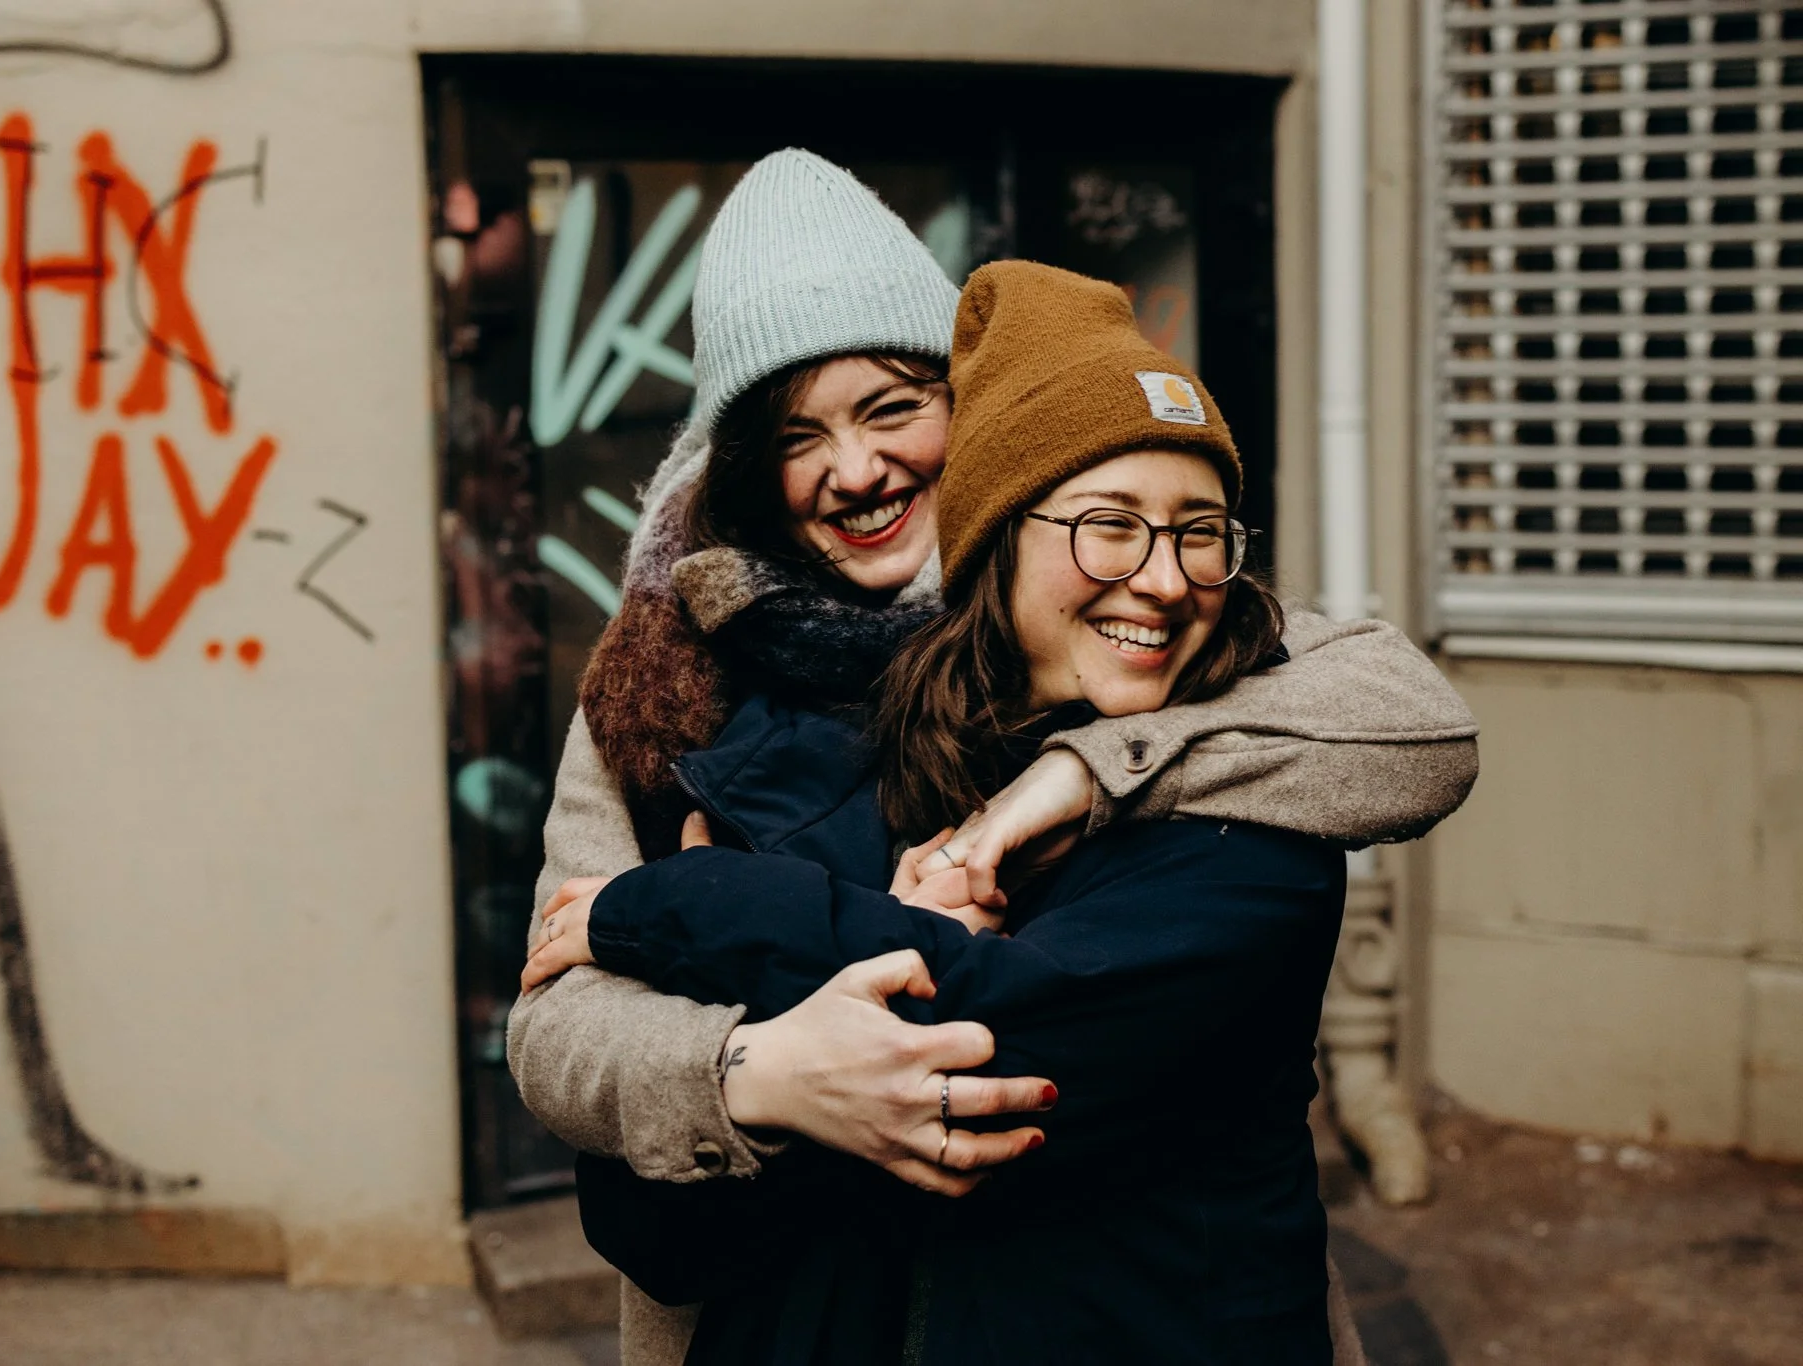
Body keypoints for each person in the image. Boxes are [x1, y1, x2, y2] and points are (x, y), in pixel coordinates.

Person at [507, 151, 1477, 1366]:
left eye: (891, 407)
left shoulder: (1118, 606)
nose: (854, 469)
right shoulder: (665, 686)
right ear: (748, 469)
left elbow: (1405, 717)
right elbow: (554, 1023)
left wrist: (1096, 765)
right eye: (797, 432)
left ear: (974, 418)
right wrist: (758, 1069)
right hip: (782, 1305)